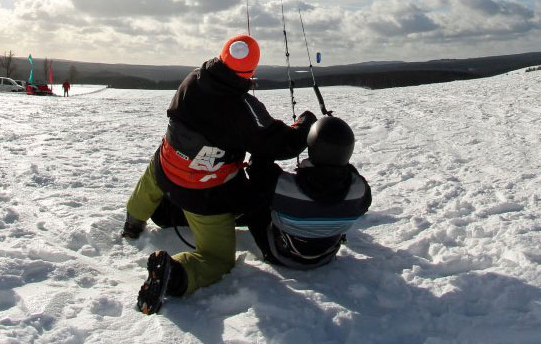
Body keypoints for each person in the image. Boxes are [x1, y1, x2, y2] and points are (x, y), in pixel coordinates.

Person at [123, 34, 316, 314]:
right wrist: (304, 124)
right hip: (203, 194)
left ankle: (133, 222)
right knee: (217, 258)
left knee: (157, 170)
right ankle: (176, 275)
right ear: (251, 70)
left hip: (165, 170)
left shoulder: (193, 79)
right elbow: (279, 143)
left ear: (222, 56)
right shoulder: (242, 107)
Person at [242, 116, 372, 269]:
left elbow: (258, 169)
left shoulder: (282, 187)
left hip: (281, 255)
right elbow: (359, 194)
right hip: (326, 256)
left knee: (256, 202)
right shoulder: (359, 191)